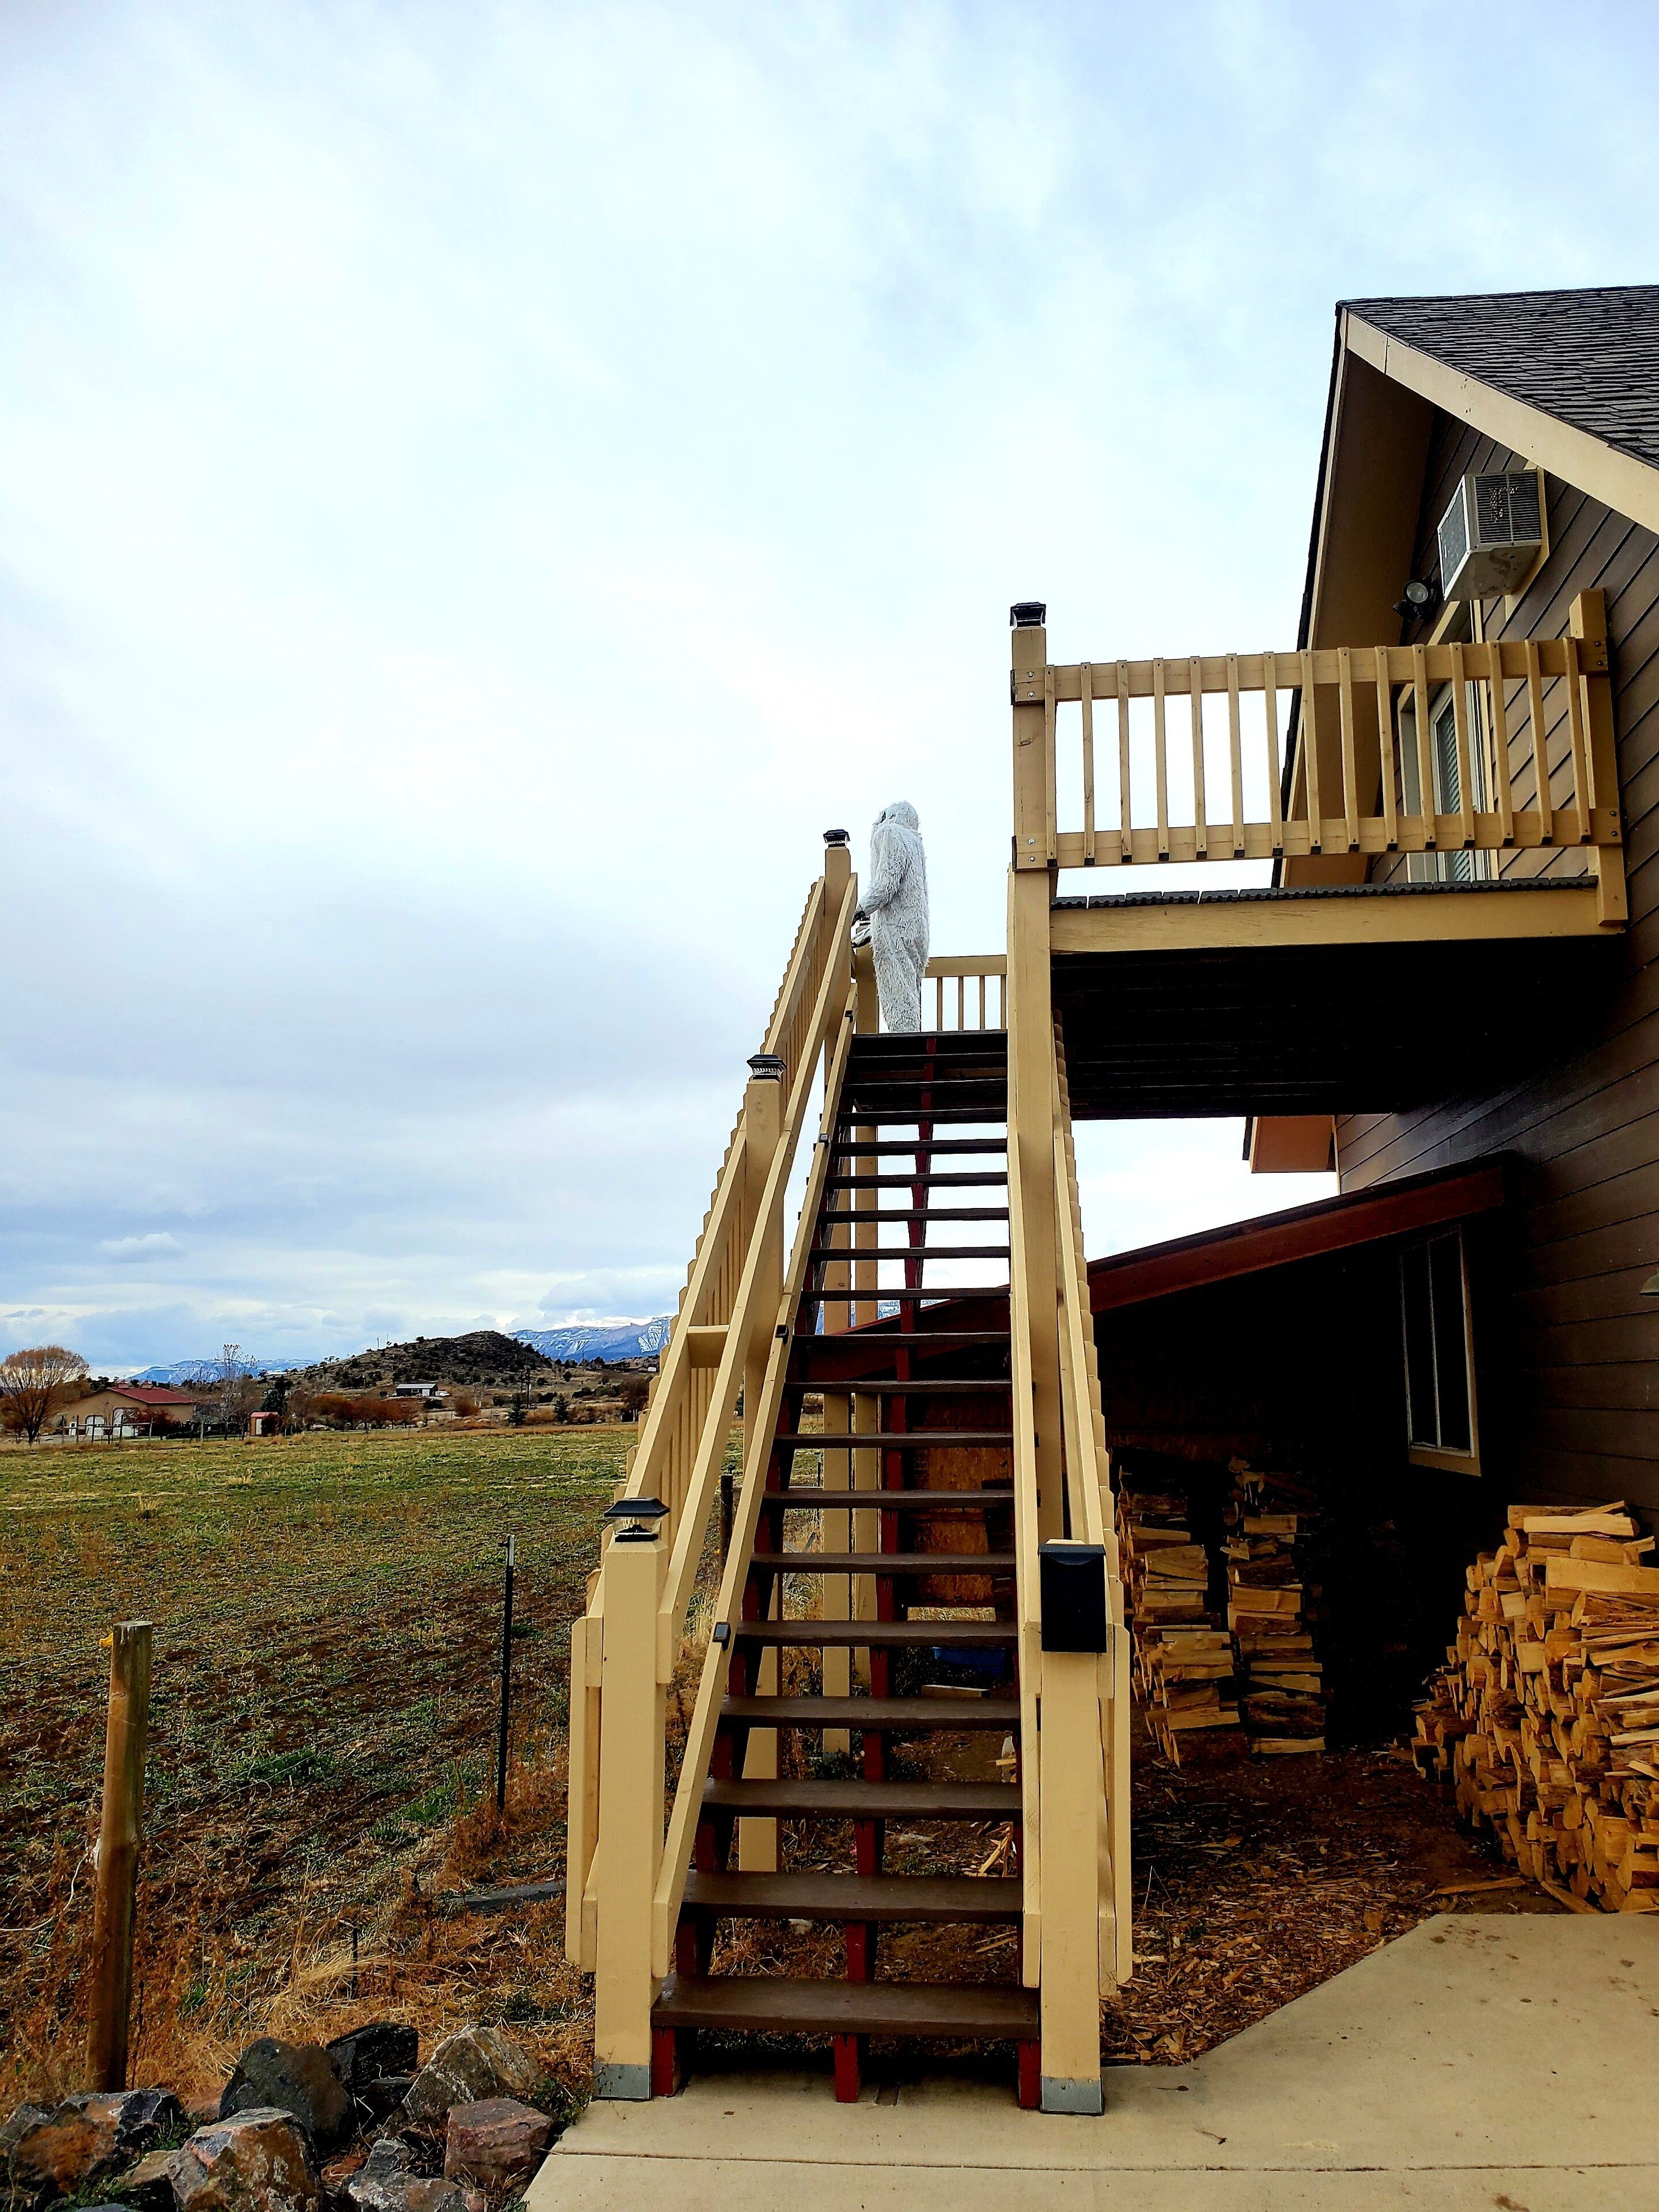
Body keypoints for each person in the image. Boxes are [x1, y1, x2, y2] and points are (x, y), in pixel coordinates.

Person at [854, 800, 929, 1032]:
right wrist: (868, 931)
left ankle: (905, 1040)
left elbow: (886, 885)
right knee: (910, 988)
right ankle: (912, 1035)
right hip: (917, 930)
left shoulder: (889, 834)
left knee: (896, 987)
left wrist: (857, 911)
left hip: (895, 930)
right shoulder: (915, 843)